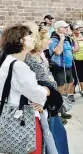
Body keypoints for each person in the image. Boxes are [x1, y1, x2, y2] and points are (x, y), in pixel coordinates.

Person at [0, 24, 50, 153]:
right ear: (21, 40)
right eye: (29, 36)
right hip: (23, 120)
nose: (33, 39)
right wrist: (46, 90)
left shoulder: (8, 61)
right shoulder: (19, 67)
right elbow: (36, 94)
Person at [24, 23, 69, 153]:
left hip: (50, 104)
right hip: (45, 106)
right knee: (52, 141)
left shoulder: (40, 56)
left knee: (59, 138)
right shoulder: (29, 59)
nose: (49, 41)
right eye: (46, 39)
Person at [49, 21, 78, 120]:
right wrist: (61, 39)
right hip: (59, 68)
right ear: (58, 29)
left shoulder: (66, 38)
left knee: (65, 90)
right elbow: (58, 51)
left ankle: (62, 110)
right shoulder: (54, 39)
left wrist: (74, 39)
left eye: (67, 27)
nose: (67, 29)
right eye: (64, 27)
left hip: (68, 67)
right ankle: (56, 114)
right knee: (59, 91)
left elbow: (75, 50)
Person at [72, 22, 83, 98]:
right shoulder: (71, 38)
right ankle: (71, 92)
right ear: (72, 30)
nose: (79, 30)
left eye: (79, 28)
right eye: (76, 29)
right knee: (74, 76)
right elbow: (73, 49)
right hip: (76, 59)